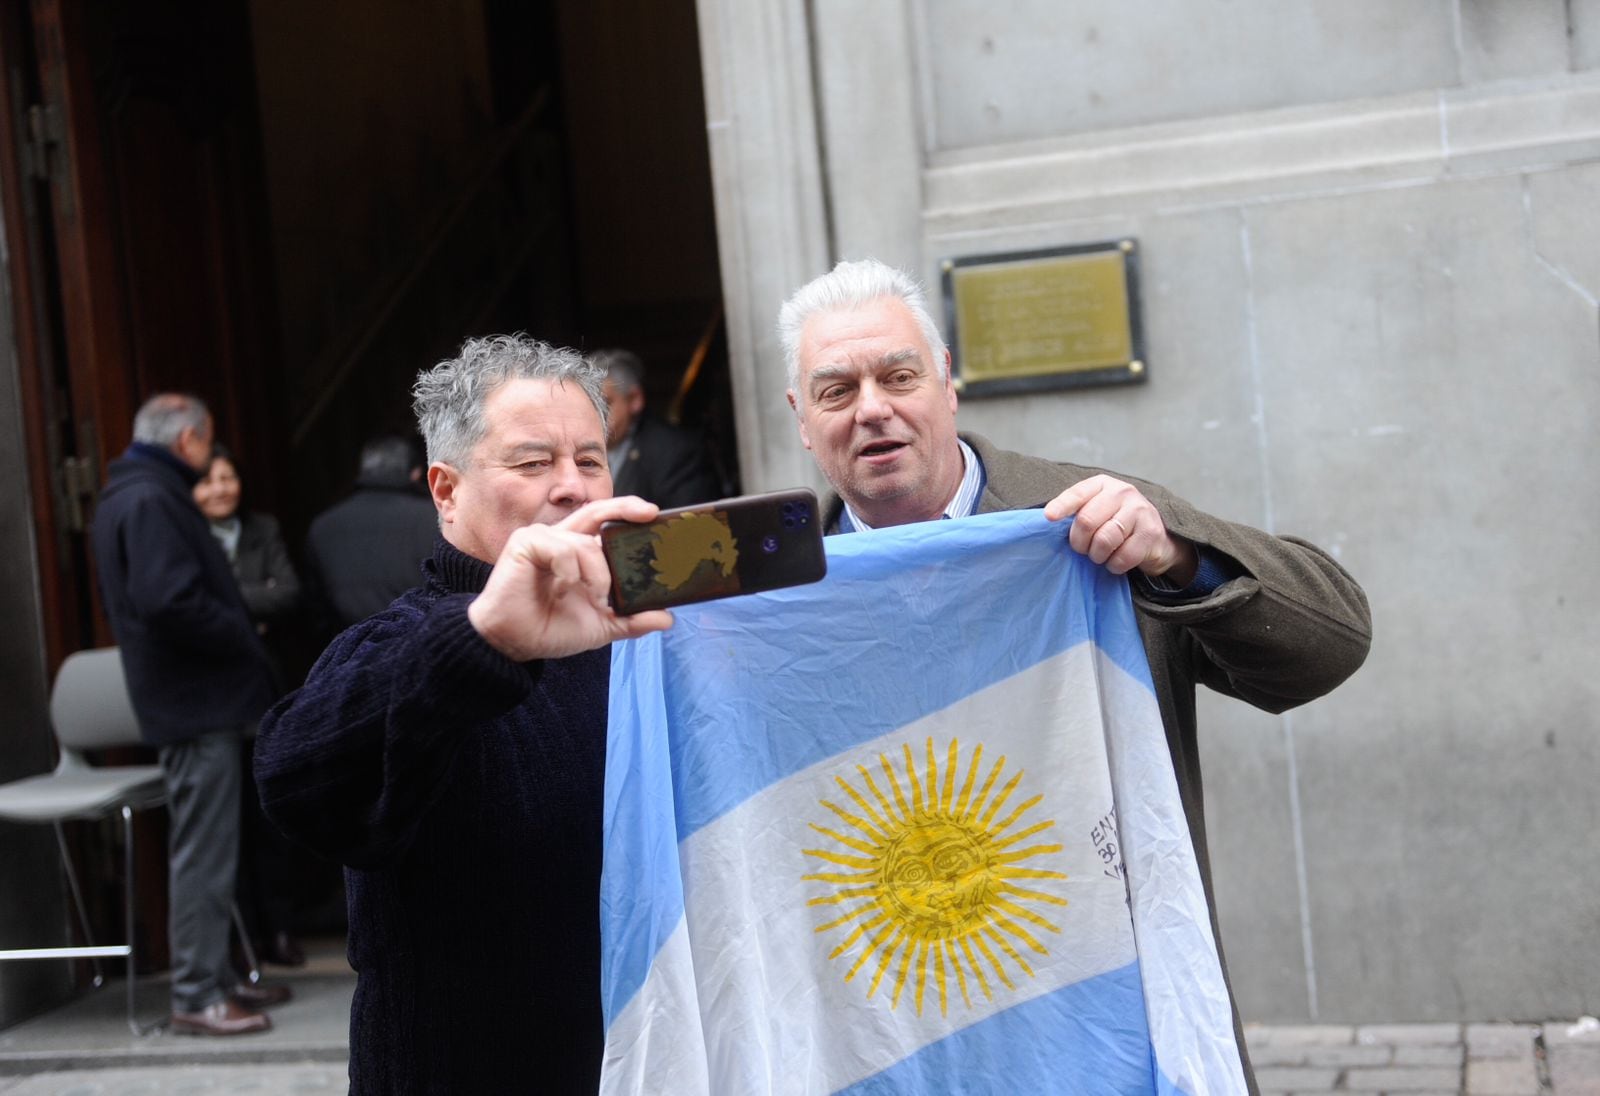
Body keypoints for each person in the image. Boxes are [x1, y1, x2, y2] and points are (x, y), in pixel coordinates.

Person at [777, 259, 1373, 1093]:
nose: (872, 407)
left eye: (899, 375)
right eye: (836, 391)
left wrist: (1177, 556)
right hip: (895, 1050)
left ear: (947, 385)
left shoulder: (1086, 522)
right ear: (802, 421)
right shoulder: (772, 604)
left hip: (1115, 1036)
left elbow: (1333, 640)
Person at [253, 335, 671, 1093]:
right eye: (533, 462)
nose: (573, 487)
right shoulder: (403, 646)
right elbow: (294, 776)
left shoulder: (652, 638)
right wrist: (482, 639)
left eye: (590, 458)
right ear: (445, 491)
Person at [90, 394, 292, 1036]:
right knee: (204, 849)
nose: (209, 456)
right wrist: (240, 634)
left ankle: (220, 977)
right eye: (207, 443)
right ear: (188, 441)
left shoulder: (135, 492)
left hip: (192, 699)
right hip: (195, 701)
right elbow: (168, 600)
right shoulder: (151, 499)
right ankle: (197, 992)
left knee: (214, 843)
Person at [192, 445, 308, 969]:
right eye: (207, 481)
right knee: (226, 824)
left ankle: (281, 930)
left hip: (266, 689)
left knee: (270, 818)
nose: (220, 489)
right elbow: (196, 606)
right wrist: (249, 604)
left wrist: (232, 605)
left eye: (227, 476)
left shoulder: (261, 528)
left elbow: (287, 593)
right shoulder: (186, 536)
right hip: (212, 697)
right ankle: (242, 940)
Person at [302, 435, 439, 633]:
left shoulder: (322, 526)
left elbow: (315, 610)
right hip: (425, 649)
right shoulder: (436, 519)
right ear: (417, 474)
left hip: (349, 653)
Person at [593, 347, 720, 508]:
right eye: (590, 404)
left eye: (605, 403)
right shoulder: (573, 449)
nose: (596, 414)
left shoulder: (676, 451)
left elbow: (691, 524)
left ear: (634, 400)